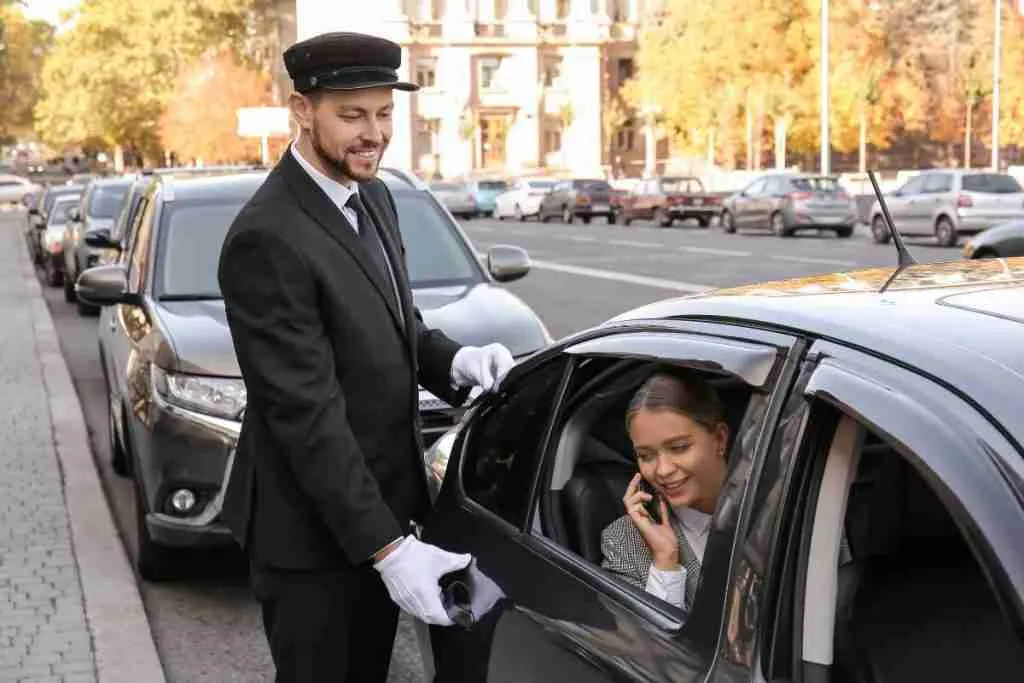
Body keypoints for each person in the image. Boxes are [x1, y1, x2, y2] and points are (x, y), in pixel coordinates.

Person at [217, 31, 515, 683]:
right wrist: (389, 550)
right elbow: (306, 417)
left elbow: (393, 322)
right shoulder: (267, 237)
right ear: (302, 110)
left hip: (379, 515)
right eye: (352, 115)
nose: (373, 134)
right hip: (310, 541)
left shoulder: (374, 195)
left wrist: (455, 361)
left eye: (384, 113)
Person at [600, 370, 730, 610]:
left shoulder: (780, 499)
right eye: (646, 455)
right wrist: (665, 562)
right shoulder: (625, 541)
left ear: (720, 439)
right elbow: (645, 634)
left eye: (679, 448)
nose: (662, 470)